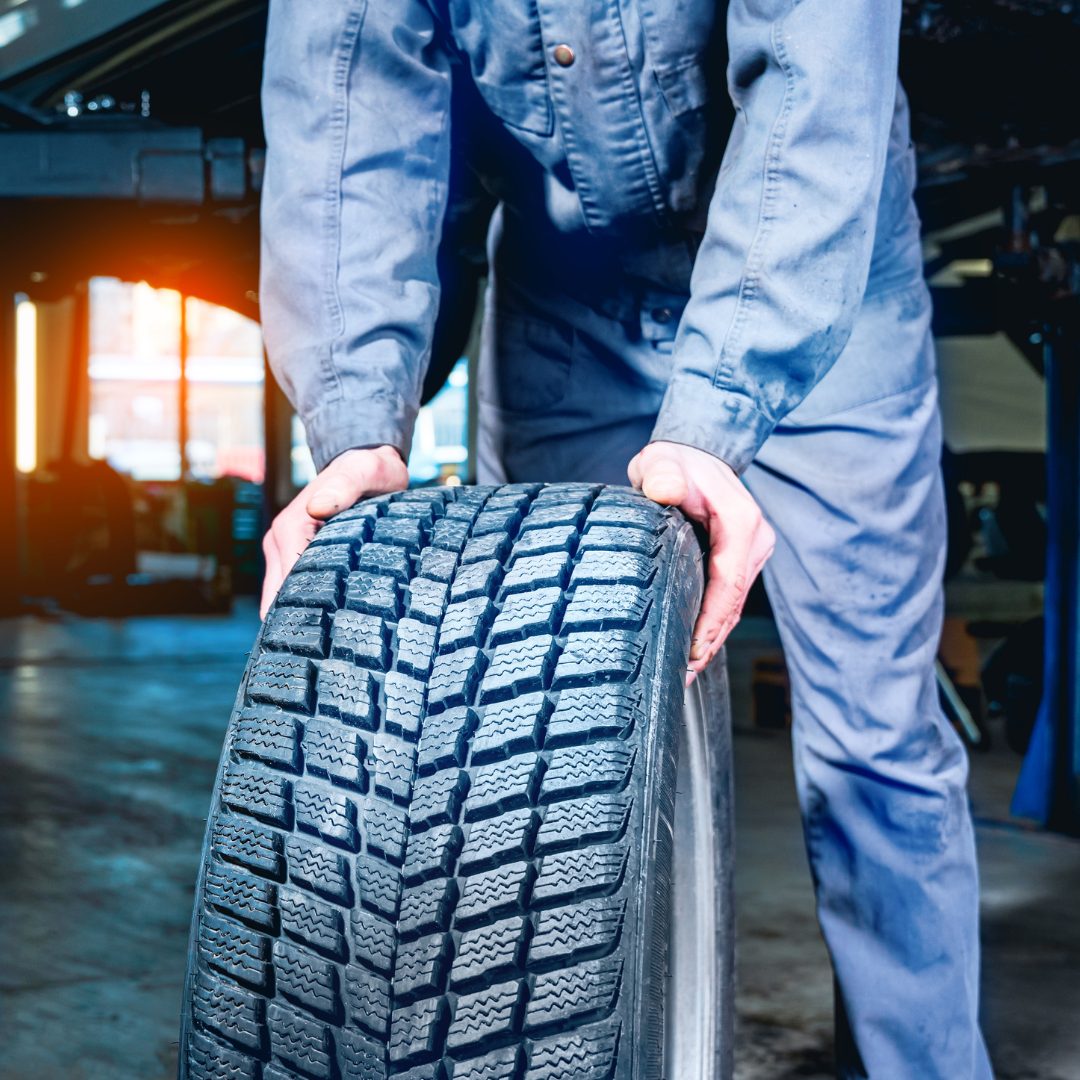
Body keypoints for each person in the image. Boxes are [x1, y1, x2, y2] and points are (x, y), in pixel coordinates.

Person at [257, 2, 992, 1076]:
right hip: (570, 307)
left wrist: (717, 411)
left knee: (873, 751)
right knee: (532, 743)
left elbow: (814, 85)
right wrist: (357, 426)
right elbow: (349, 111)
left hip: (825, 298)